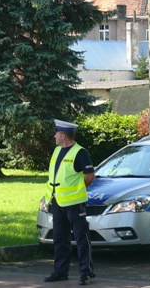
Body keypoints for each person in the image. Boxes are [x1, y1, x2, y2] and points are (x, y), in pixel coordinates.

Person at [44, 119, 96, 285]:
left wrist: (77, 190)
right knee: (60, 238)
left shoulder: (80, 153)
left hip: (75, 204)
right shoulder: (57, 151)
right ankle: (60, 271)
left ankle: (86, 273)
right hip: (58, 202)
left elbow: (89, 176)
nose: (54, 136)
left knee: (81, 238)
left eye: (56, 133)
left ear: (64, 135)